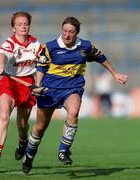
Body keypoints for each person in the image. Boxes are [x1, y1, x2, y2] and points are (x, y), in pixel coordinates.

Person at [22, 16, 128, 173]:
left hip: (72, 88)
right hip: (50, 90)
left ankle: (63, 150)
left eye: (71, 32)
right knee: (40, 127)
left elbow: (100, 57)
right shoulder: (51, 47)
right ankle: (29, 155)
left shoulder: (85, 46)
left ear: (76, 32)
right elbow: (41, 68)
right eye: (64, 31)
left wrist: (115, 73)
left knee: (73, 112)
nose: (67, 35)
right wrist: (37, 86)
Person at [0, 11, 44, 169]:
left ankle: (22, 141)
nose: (23, 27)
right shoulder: (10, 43)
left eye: (25, 24)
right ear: (13, 28)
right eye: (19, 24)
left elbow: (45, 60)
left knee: (22, 125)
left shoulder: (35, 44)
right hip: (9, 83)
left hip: (27, 85)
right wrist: (0, 65)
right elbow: (1, 54)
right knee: (4, 116)